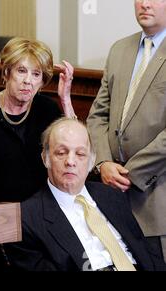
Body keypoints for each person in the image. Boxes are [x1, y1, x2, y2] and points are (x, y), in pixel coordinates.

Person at [0, 37, 76, 271]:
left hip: (44, 223)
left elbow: (74, 152)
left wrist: (65, 100)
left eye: (36, 74)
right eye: (21, 71)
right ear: (6, 72)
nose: (27, 82)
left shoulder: (47, 110)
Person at [4, 118, 164, 271]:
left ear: (91, 161)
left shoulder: (112, 196)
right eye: (61, 153)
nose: (71, 161)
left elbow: (146, 252)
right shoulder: (27, 219)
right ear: (45, 158)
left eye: (80, 154)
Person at [87, 0, 166, 261]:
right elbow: (98, 114)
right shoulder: (120, 49)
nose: (144, 4)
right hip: (111, 200)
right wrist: (103, 162)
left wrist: (130, 173)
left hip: (157, 204)